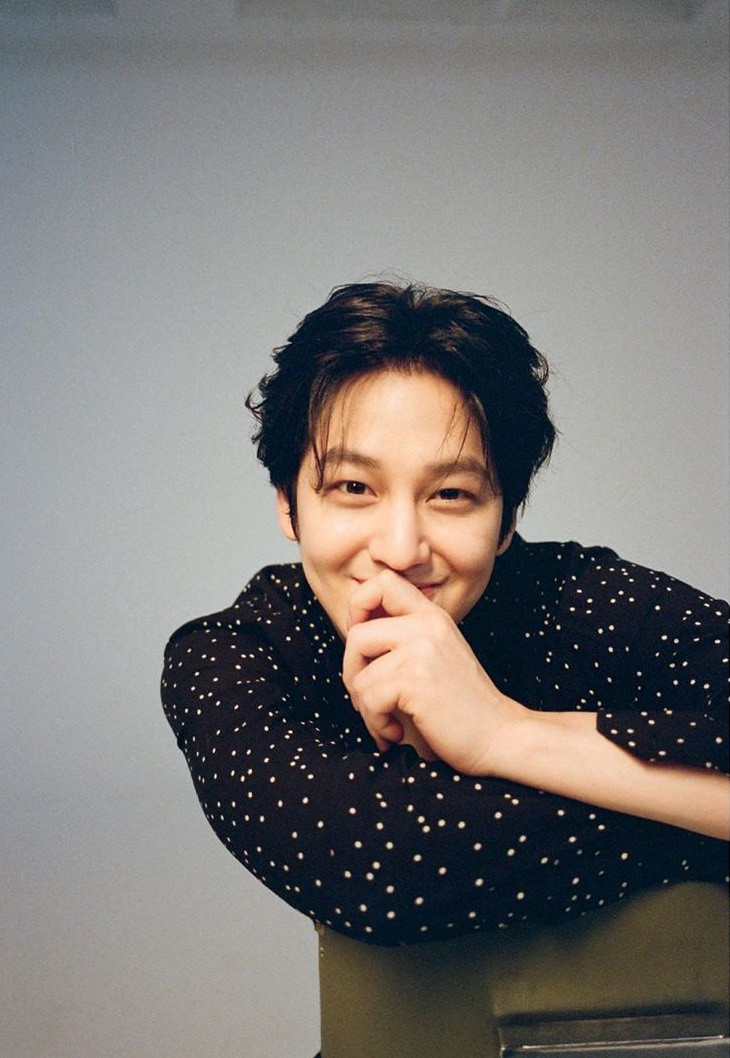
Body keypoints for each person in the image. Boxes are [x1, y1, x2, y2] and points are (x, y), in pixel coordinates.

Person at [161, 281, 728, 947]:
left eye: (451, 494)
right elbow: (382, 873)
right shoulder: (232, 655)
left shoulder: (575, 598)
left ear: (507, 520)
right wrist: (699, 820)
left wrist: (505, 734)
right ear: (289, 503)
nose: (401, 549)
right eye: (354, 487)